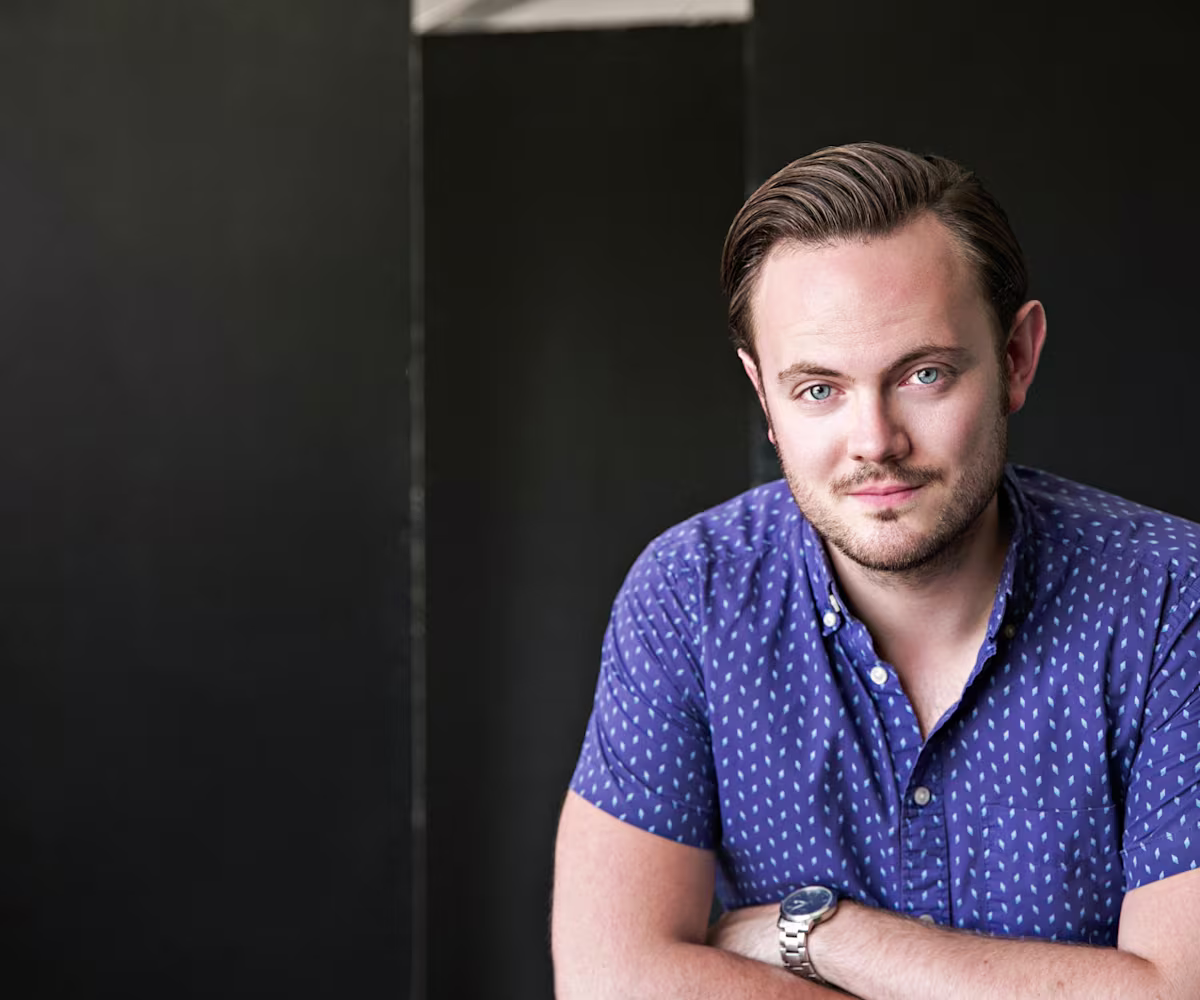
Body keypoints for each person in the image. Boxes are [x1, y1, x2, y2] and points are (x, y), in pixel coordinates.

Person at [550, 142, 1200, 998]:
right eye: (818, 389)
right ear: (764, 397)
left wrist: (817, 934)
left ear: (1016, 358)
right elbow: (610, 981)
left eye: (923, 374)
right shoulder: (691, 596)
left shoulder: (1169, 598)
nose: (874, 441)